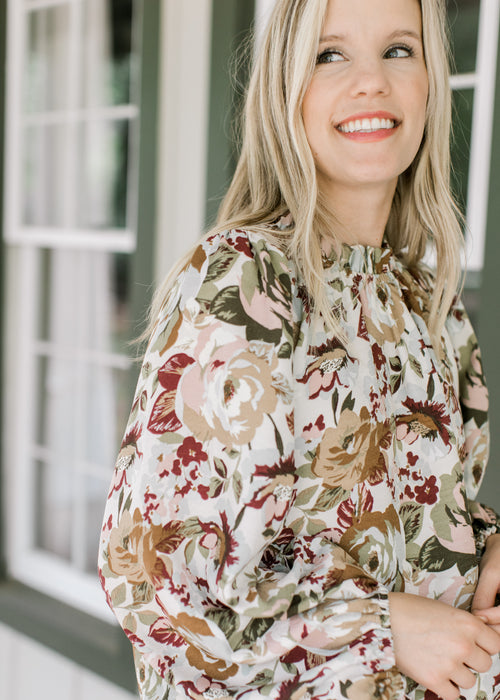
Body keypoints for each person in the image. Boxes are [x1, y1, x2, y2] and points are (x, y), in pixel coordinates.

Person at [98, 0, 500, 698]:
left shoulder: (432, 305)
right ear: (286, 87)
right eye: (330, 53)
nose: (372, 81)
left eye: (399, 50)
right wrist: (378, 628)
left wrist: (490, 545)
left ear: (432, 79)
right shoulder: (243, 282)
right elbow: (153, 577)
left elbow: (424, 519)